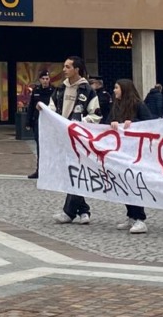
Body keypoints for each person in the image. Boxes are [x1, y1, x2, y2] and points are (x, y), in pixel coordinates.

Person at [52, 56, 98, 225]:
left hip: (80, 139)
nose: (64, 69)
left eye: (68, 67)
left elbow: (96, 114)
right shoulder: (59, 89)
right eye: (64, 66)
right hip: (64, 137)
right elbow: (52, 108)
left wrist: (81, 123)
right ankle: (82, 210)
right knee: (71, 173)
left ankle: (70, 212)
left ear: (77, 69)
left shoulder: (87, 90)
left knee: (76, 172)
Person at [108, 79, 153, 233]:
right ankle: (131, 216)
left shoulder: (138, 104)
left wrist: (134, 122)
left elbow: (150, 123)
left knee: (133, 184)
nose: (114, 90)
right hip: (120, 152)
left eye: (116, 88)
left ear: (125, 89)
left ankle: (140, 218)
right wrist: (113, 123)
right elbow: (106, 122)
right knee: (123, 184)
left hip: (135, 152)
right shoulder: (116, 105)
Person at [26, 69, 53, 179]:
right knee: (40, 147)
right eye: (43, 79)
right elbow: (31, 107)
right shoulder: (36, 91)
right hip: (38, 122)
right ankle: (40, 170)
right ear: (40, 80)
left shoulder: (54, 91)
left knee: (51, 147)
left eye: (47, 79)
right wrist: (28, 122)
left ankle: (51, 171)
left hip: (50, 123)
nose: (45, 81)